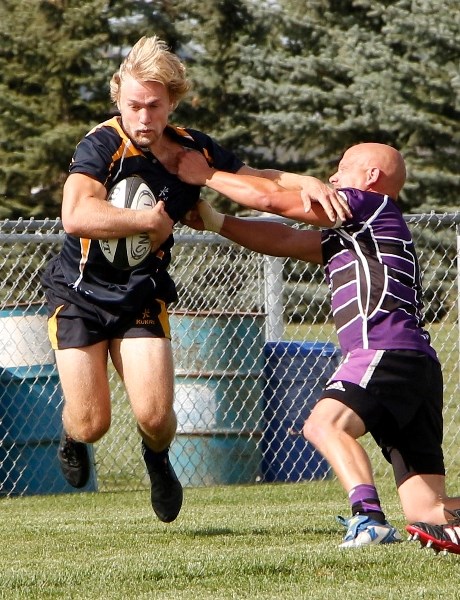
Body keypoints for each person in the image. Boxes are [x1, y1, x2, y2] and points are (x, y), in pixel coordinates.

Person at [41, 35, 346, 523]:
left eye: (154, 106)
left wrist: (303, 181)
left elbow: (256, 176)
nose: (143, 117)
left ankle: (157, 460)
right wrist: (148, 223)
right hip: (79, 296)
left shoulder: (190, 149)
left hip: (141, 295)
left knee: (157, 419)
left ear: (172, 103)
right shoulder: (101, 144)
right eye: (134, 105)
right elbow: (76, 215)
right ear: (118, 97)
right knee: (92, 423)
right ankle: (72, 435)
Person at [176, 142, 460, 554]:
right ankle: (388, 520)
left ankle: (369, 521)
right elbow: (287, 240)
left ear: (370, 177)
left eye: (341, 169)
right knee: (429, 510)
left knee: (324, 425)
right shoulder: (361, 234)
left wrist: (205, 175)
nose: (331, 178)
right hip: (414, 363)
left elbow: (273, 200)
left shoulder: (367, 204)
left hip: (383, 350)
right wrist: (217, 220)